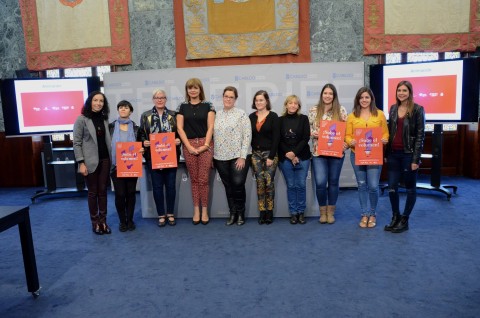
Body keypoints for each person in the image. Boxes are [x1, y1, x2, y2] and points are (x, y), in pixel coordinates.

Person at [384, 80, 425, 233]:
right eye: (399, 90)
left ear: (410, 92)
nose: (401, 93)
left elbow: (420, 136)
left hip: (408, 155)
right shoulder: (393, 109)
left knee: (409, 189)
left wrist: (415, 159)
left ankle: (405, 219)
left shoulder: (418, 109)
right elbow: (390, 131)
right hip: (394, 155)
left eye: (404, 90)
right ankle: (395, 216)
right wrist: (387, 153)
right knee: (392, 188)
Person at [345, 87, 389, 228]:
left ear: (371, 99)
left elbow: (385, 133)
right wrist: (349, 141)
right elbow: (347, 135)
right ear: (358, 99)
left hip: (374, 155)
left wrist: (384, 139)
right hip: (356, 154)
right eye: (361, 97)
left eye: (367, 97)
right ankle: (364, 214)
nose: (364, 100)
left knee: (374, 186)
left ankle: (373, 213)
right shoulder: (352, 116)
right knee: (362, 185)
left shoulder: (380, 114)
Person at [137, 89, 181, 227]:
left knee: (170, 187)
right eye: (157, 97)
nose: (159, 99)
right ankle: (161, 214)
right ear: (153, 99)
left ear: (166, 99)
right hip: (153, 157)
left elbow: (180, 132)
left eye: (162, 97)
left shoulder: (174, 115)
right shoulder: (146, 115)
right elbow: (141, 135)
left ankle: (170, 213)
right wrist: (144, 141)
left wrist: (178, 140)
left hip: (171, 156)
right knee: (157, 187)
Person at [176, 78, 215, 225]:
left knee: (204, 180)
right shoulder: (182, 107)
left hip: (206, 144)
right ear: (187, 90)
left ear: (200, 90)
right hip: (189, 145)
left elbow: (211, 126)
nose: (192, 90)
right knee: (194, 180)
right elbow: (180, 128)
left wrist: (205, 145)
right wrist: (188, 146)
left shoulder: (208, 105)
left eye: (195, 88)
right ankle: (196, 210)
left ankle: (204, 210)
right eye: (189, 88)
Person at [73, 91, 112, 235]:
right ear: (90, 102)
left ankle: (103, 222)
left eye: (101, 101)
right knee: (93, 192)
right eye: (95, 100)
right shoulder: (81, 119)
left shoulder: (105, 119)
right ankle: (95, 223)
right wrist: (81, 163)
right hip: (89, 162)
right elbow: (76, 143)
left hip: (105, 160)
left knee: (103, 192)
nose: (98, 103)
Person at [308, 83, 348, 224]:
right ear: (321, 95)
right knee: (320, 183)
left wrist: (345, 143)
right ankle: (322, 211)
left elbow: (345, 132)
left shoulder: (341, 110)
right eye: (325, 93)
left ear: (334, 96)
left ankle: (331, 212)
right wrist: (320, 133)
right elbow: (309, 130)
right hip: (318, 152)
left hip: (336, 153)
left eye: (330, 93)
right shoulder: (313, 110)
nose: (327, 96)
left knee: (333, 182)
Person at [213, 86, 252, 226]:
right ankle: (233, 213)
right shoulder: (216, 115)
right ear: (222, 97)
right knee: (228, 186)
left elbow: (247, 136)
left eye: (231, 97)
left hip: (238, 156)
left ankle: (241, 212)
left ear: (235, 99)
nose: (228, 99)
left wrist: (242, 156)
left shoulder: (241, 114)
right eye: (226, 96)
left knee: (238, 184)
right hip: (220, 157)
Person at [109, 100, 144, 232]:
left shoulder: (136, 128)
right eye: (121, 108)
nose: (123, 109)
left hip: (131, 166)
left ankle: (130, 220)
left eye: (126, 107)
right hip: (116, 167)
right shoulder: (110, 127)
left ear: (131, 111)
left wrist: (142, 150)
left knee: (130, 193)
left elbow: (141, 145)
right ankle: (122, 221)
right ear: (118, 110)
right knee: (120, 194)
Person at [278, 95, 311, 225]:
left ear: (298, 106)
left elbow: (305, 138)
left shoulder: (304, 119)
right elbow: (278, 139)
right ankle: (293, 213)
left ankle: (301, 212)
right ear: (286, 105)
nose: (292, 105)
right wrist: (289, 154)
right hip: (285, 158)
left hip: (302, 156)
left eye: (295, 103)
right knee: (291, 186)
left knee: (301, 185)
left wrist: (295, 153)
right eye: (290, 103)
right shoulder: (279, 120)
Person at [249, 90, 280, 224]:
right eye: (256, 100)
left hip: (270, 155)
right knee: (260, 183)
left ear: (266, 101)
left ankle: (270, 211)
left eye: (261, 100)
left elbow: (276, 138)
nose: (258, 102)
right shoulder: (251, 117)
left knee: (269, 182)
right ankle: (262, 211)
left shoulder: (273, 116)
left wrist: (271, 156)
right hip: (255, 154)